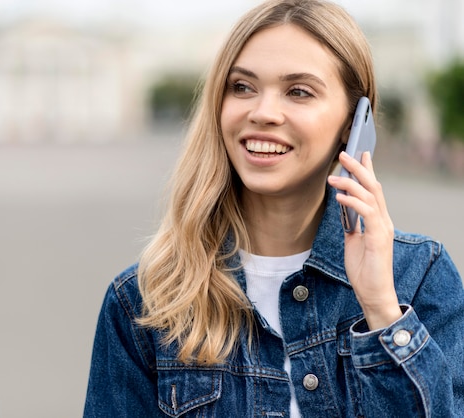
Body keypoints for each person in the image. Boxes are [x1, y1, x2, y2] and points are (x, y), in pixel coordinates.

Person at [83, 0, 464, 416]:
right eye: (242, 87)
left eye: (299, 91)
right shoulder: (144, 303)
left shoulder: (419, 278)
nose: (262, 112)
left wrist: (382, 313)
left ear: (354, 125)